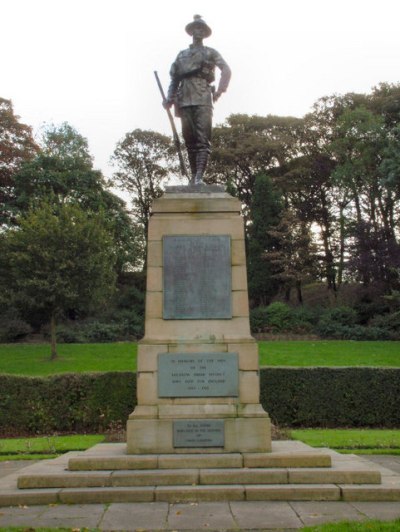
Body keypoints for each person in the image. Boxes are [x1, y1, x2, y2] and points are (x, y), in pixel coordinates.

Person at [165, 15, 231, 185]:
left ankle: (199, 177)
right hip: (184, 99)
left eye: (202, 28)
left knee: (203, 140)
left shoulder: (211, 52)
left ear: (205, 32)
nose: (199, 31)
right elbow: (174, 79)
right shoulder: (182, 55)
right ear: (191, 31)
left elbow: (226, 70)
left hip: (203, 97)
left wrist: (219, 92)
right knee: (189, 141)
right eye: (196, 28)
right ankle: (193, 177)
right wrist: (169, 98)